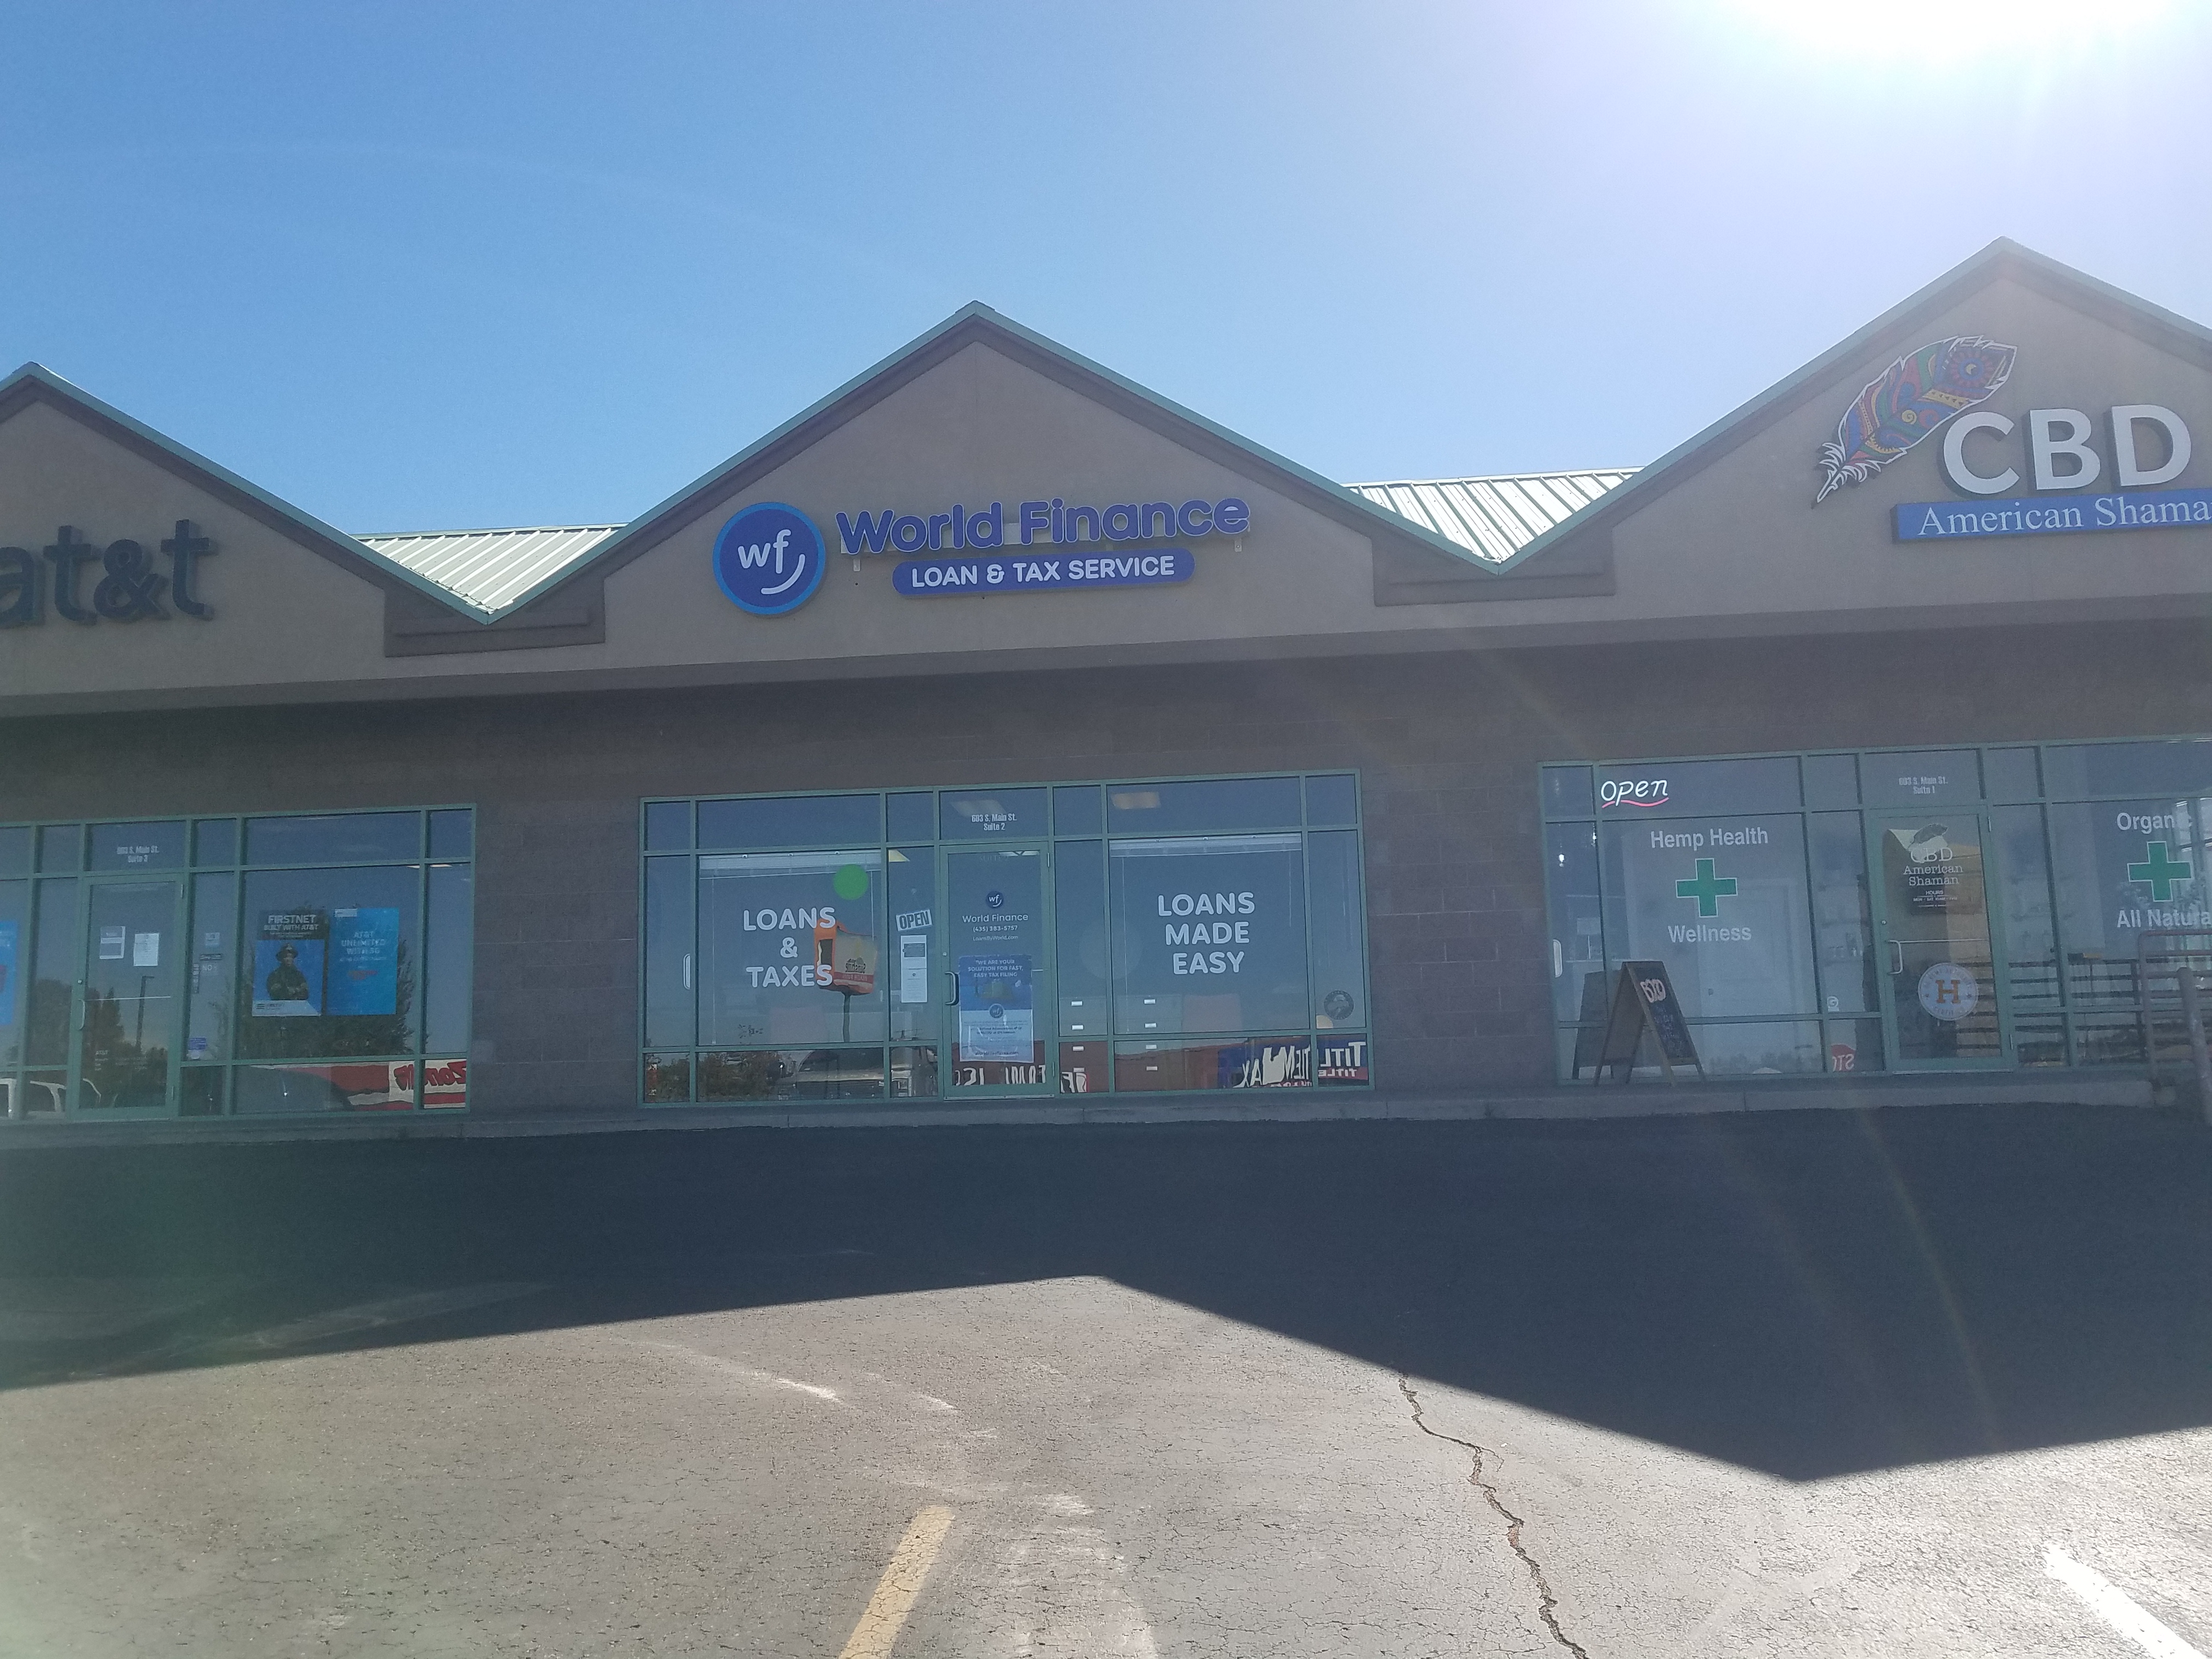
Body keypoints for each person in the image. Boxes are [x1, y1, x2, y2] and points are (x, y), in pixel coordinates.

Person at [264, 941, 311, 1005]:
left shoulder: (299, 975)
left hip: (297, 1008)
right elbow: (275, 994)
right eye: (286, 957)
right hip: (280, 1008)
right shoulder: (275, 975)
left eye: (291, 957)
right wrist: (290, 991)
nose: (288, 959)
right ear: (281, 959)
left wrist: (294, 991)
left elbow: (305, 993)